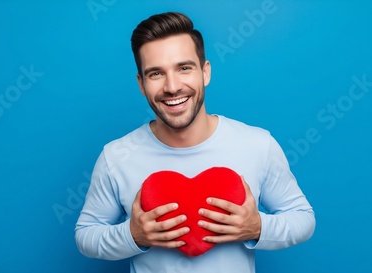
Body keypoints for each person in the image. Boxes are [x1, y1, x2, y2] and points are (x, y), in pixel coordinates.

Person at [75, 12, 315, 273]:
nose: (172, 86)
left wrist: (258, 227)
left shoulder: (257, 144)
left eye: (184, 68)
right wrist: (132, 235)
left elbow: (303, 219)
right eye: (156, 73)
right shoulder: (116, 156)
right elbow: (85, 236)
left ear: (205, 72)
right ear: (141, 84)